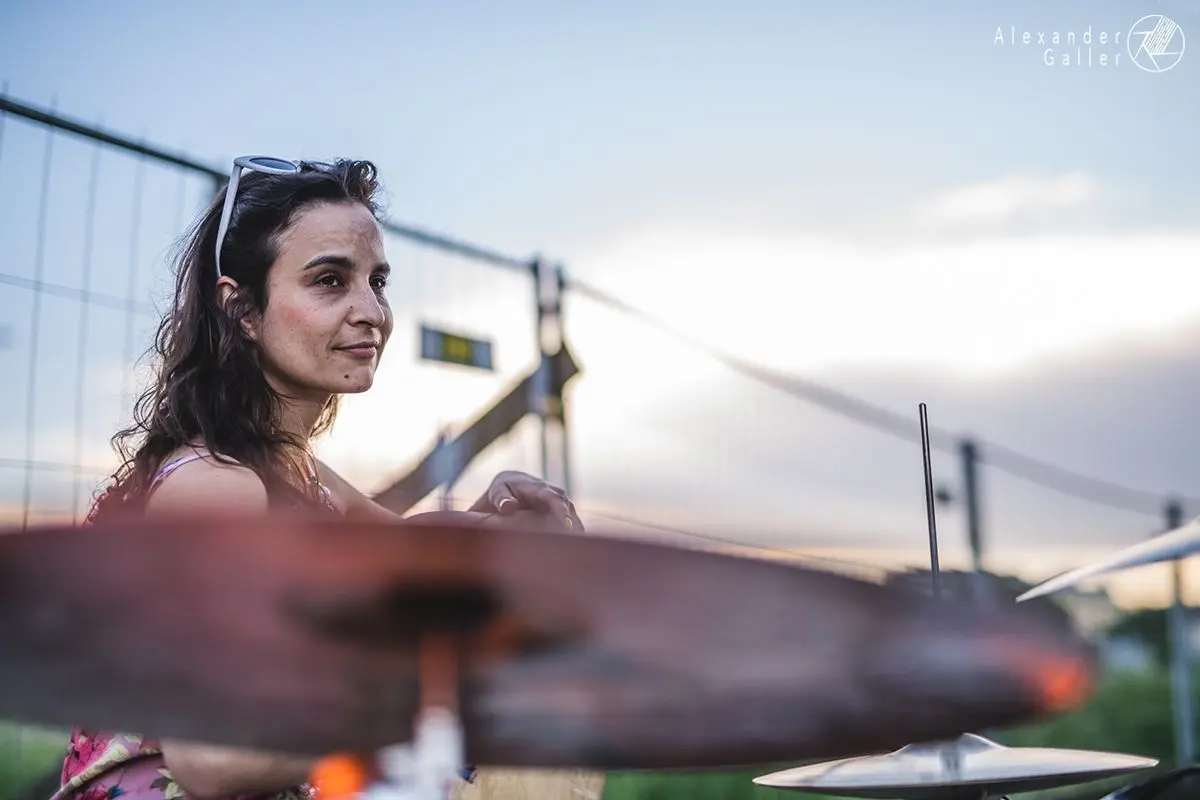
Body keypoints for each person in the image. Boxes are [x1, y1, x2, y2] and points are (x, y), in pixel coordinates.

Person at [52, 156, 583, 800]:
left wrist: (505, 524)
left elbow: (411, 547)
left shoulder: (297, 471)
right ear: (242, 308)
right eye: (330, 280)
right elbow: (214, 761)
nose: (373, 311)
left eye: (377, 281)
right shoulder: (218, 485)